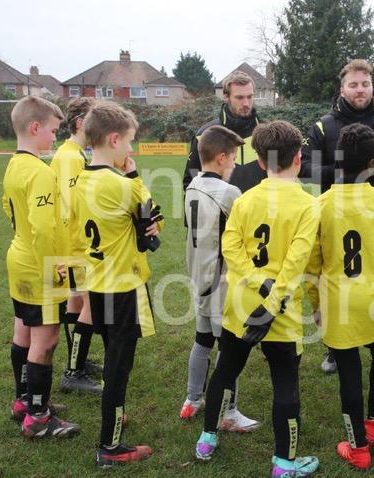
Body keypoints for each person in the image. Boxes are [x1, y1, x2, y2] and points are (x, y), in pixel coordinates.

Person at [194, 120, 320, 478]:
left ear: (261, 162)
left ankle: (207, 440)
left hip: (240, 304)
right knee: (285, 383)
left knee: (225, 370)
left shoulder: (244, 198)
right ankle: (284, 465)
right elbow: (295, 262)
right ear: (299, 157)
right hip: (279, 311)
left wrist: (255, 280)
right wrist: (271, 299)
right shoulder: (308, 205)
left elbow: (230, 247)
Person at [301, 59, 374, 374]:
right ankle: (336, 349)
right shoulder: (324, 126)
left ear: (372, 87)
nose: (360, 90)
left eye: (365, 84)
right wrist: (344, 169)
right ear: (342, 89)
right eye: (353, 85)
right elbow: (305, 168)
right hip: (335, 215)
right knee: (335, 277)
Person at [306, 123, 374, 470]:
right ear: (373, 162)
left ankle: (358, 446)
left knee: (349, 374)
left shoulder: (320, 204)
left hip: (338, 302)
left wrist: (316, 305)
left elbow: (312, 264)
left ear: (336, 158)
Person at [74, 101, 164, 467]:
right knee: (118, 366)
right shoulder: (119, 184)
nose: (131, 149)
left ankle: (115, 414)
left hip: (98, 282)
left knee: (113, 354)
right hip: (124, 286)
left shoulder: (80, 179)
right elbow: (153, 212)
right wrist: (134, 174)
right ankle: (110, 447)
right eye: (128, 141)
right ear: (114, 139)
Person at [2, 96, 80, 437]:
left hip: (19, 258)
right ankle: (38, 417)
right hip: (40, 266)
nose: (54, 136)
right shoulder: (40, 172)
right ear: (35, 127)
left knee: (23, 331)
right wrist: (53, 268)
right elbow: (45, 229)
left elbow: (8, 207)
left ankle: (24, 401)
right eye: (53, 130)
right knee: (45, 341)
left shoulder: (14, 165)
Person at [181, 125, 259, 432]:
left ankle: (192, 399)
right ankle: (229, 412)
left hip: (199, 276)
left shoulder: (192, 184)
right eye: (235, 158)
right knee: (229, 350)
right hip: (221, 280)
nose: (237, 164)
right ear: (222, 158)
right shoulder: (229, 192)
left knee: (202, 340)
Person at [49, 97, 102, 395]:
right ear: (81, 123)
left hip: (70, 243)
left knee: (76, 303)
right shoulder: (70, 157)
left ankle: (77, 361)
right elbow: (73, 204)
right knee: (92, 304)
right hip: (76, 244)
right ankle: (73, 372)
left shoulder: (72, 153)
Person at [183, 71, 264, 194]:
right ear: (226, 96)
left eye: (249, 96)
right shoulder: (205, 134)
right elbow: (191, 182)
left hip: (258, 207)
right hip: (221, 207)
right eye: (239, 97)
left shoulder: (269, 135)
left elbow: (279, 182)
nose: (246, 103)